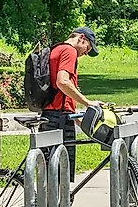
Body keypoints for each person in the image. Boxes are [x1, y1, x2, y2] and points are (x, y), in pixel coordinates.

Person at [43, 27, 101, 177]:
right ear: (81, 38)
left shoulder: (55, 49)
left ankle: (48, 200)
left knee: (51, 171)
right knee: (60, 174)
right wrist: (88, 103)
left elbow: (60, 95)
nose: (86, 53)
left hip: (51, 115)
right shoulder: (70, 51)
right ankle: (50, 201)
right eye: (87, 48)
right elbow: (62, 82)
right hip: (59, 120)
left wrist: (77, 119)